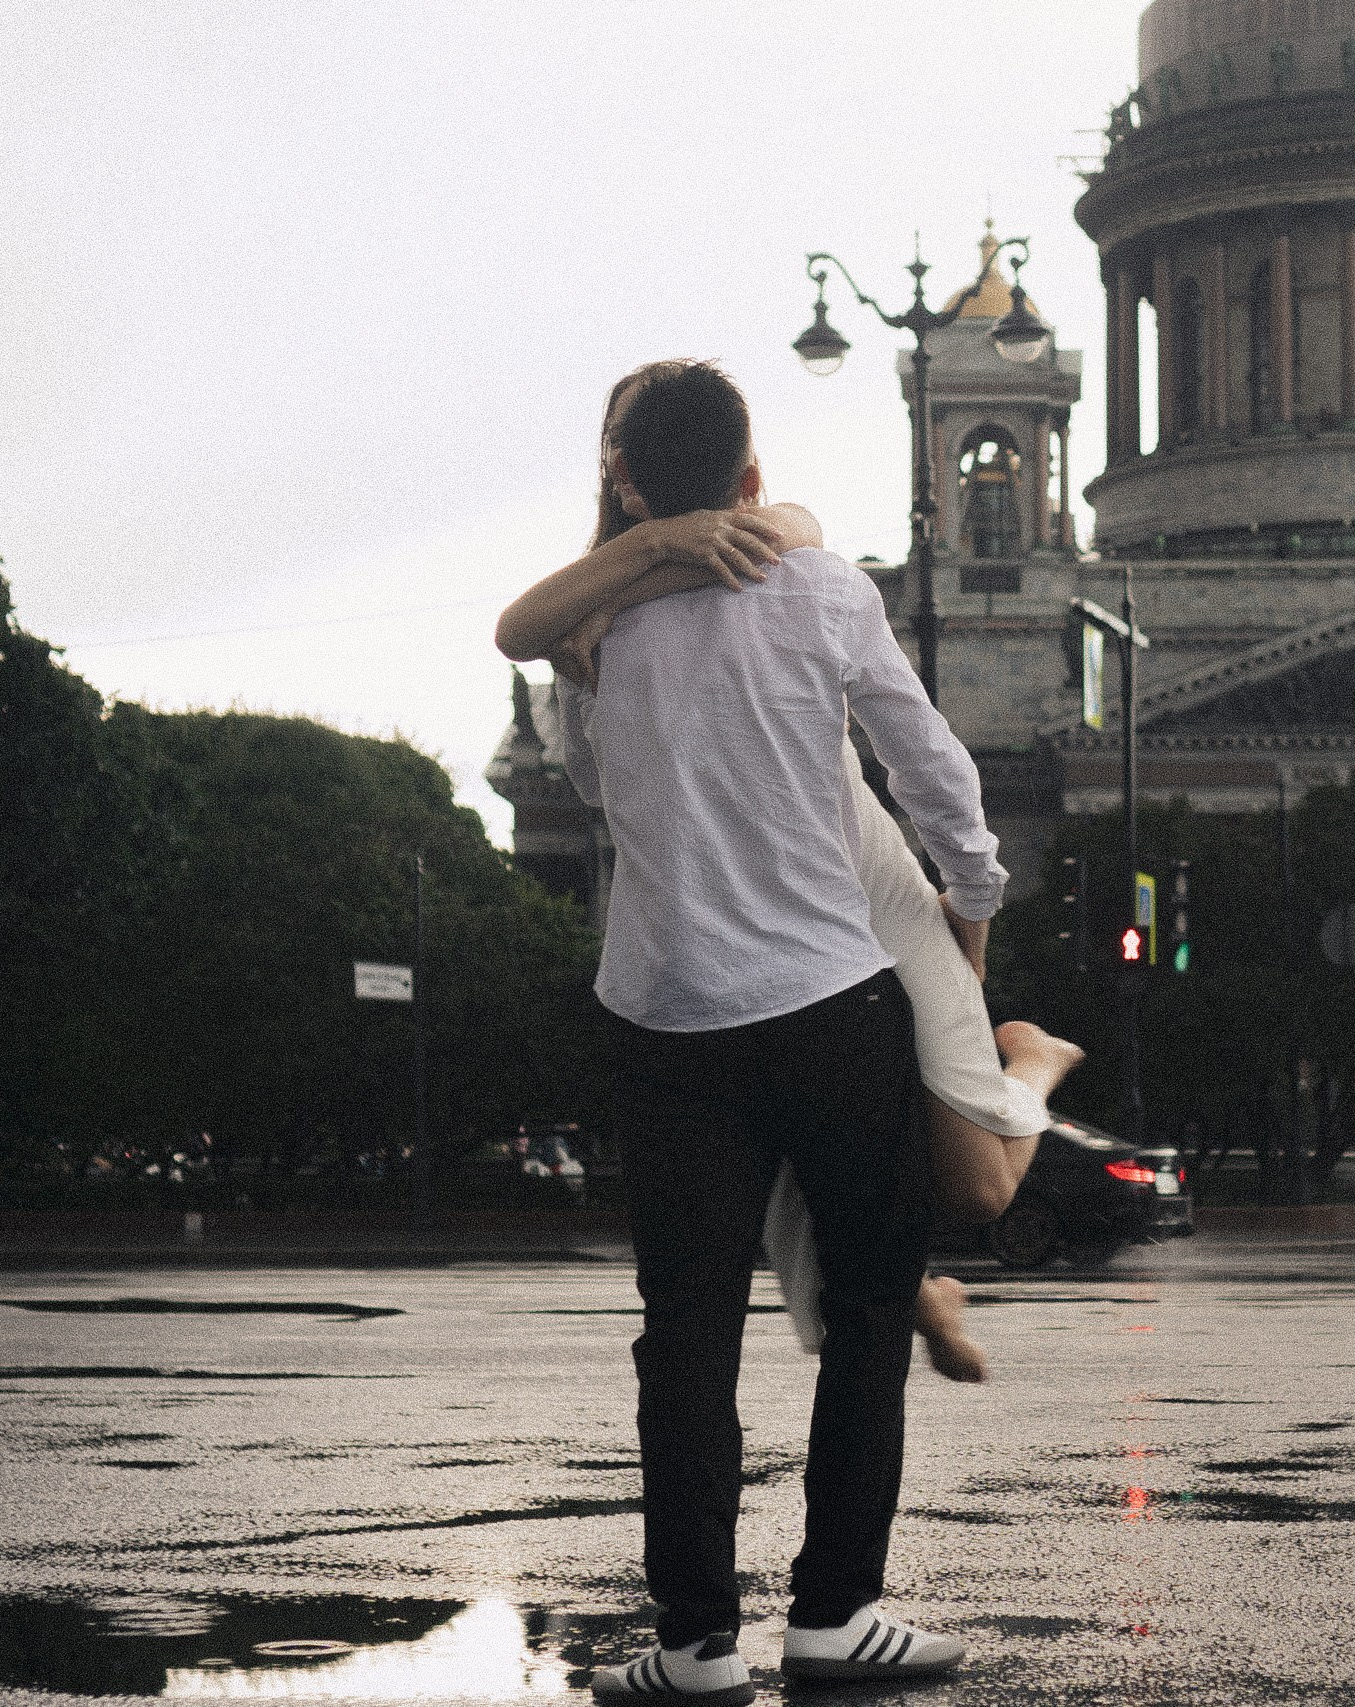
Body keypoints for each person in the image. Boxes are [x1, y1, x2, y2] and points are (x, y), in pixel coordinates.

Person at [501, 361, 986, 1701]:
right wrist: (975, 890)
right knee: (874, 1302)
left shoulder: (587, 642)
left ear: (631, 481)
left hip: (667, 1020)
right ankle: (834, 1614)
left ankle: (696, 1642)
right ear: (754, 474)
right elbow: (930, 763)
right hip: (834, 1005)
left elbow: (598, 791)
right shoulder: (823, 589)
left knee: (689, 1333)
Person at [501, 364, 1084, 1384]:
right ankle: (923, 1298)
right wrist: (596, 642)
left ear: (627, 475)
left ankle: (1028, 1062)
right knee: (829, 1185)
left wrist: (974, 904)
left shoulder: (784, 558)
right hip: (745, 956)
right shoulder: (589, 619)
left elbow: (808, 544)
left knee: (979, 1191)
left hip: (862, 881)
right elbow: (593, 777)